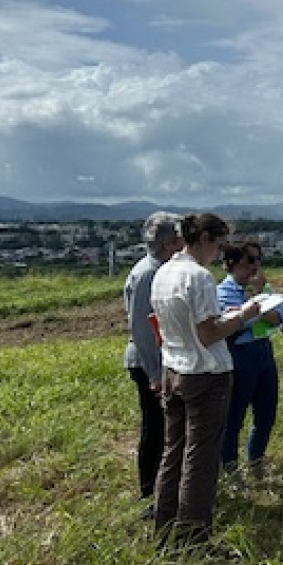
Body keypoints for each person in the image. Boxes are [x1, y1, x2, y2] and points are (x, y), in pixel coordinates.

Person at [151, 213, 262, 547]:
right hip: (205, 374)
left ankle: (164, 526)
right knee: (200, 459)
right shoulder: (198, 277)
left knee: (173, 452)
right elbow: (209, 332)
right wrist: (243, 316)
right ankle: (193, 537)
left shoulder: (164, 272)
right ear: (201, 239)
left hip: (174, 369)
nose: (218, 252)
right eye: (217, 244)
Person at [122, 211, 184, 512]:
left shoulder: (162, 268)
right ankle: (150, 495)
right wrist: (155, 373)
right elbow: (142, 327)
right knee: (156, 429)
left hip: (160, 361)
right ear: (171, 242)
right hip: (150, 364)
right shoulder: (150, 273)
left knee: (167, 428)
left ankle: (164, 491)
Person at [218, 240, 283, 479]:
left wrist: (257, 304)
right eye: (250, 261)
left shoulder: (261, 289)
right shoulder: (223, 292)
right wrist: (255, 313)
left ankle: (256, 460)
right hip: (240, 355)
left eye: (258, 260)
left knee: (266, 411)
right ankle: (230, 468)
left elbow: (280, 317)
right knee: (234, 416)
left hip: (263, 350)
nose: (256, 267)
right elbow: (233, 325)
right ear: (233, 264)